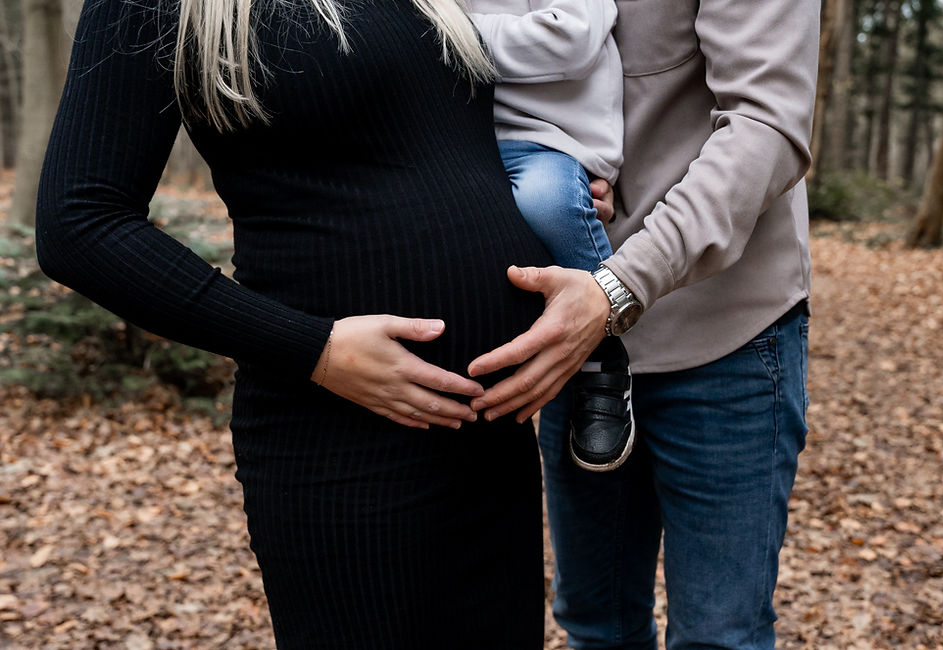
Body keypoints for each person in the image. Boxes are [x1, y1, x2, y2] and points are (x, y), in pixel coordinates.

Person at [35, 0, 552, 647]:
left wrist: (564, 189)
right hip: (342, 445)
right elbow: (79, 223)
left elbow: (436, 151)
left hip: (490, 438)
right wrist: (314, 348)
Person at [468, 0, 820, 647]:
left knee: (719, 637)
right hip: (570, 337)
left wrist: (616, 288)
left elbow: (767, 126)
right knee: (598, 629)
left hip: (724, 332)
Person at [468, 0, 633, 471]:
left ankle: (601, 354)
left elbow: (573, 38)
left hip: (548, 140)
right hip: (462, 136)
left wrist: (449, 32)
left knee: (551, 204)